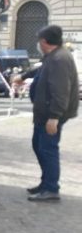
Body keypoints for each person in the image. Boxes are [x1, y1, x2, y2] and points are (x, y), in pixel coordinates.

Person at [13, 25, 79, 201]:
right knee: (38, 145)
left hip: (51, 114)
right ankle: (46, 183)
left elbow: (61, 91)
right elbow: (40, 70)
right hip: (44, 113)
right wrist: (24, 76)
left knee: (47, 149)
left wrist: (54, 117)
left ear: (44, 42)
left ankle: (51, 188)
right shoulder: (53, 56)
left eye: (39, 40)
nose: (38, 43)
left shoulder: (60, 60)